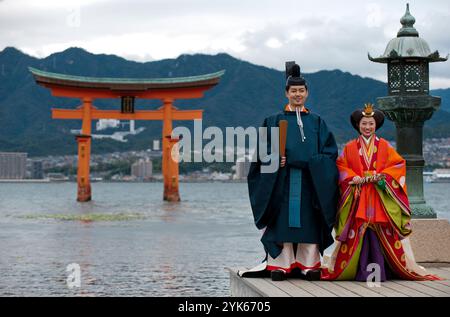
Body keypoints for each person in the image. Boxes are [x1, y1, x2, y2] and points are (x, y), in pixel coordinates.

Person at [238, 63, 339, 281]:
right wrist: (275, 160)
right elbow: (262, 152)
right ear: (286, 93)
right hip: (281, 181)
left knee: (309, 222)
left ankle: (308, 264)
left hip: (310, 182)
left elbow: (330, 153)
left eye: (301, 91)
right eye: (293, 91)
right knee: (281, 221)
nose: (297, 94)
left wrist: (315, 164)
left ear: (307, 93)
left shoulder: (317, 122)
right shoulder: (273, 121)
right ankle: (281, 265)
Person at [321, 104, 440, 281]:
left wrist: (382, 176)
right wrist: (353, 177)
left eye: (370, 124)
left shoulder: (385, 146)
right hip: (359, 196)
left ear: (376, 125)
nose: (367, 127)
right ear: (358, 125)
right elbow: (341, 166)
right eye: (364, 124)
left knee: (381, 231)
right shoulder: (350, 147)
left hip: (379, 196)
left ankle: (383, 270)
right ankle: (360, 271)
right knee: (358, 231)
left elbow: (398, 165)